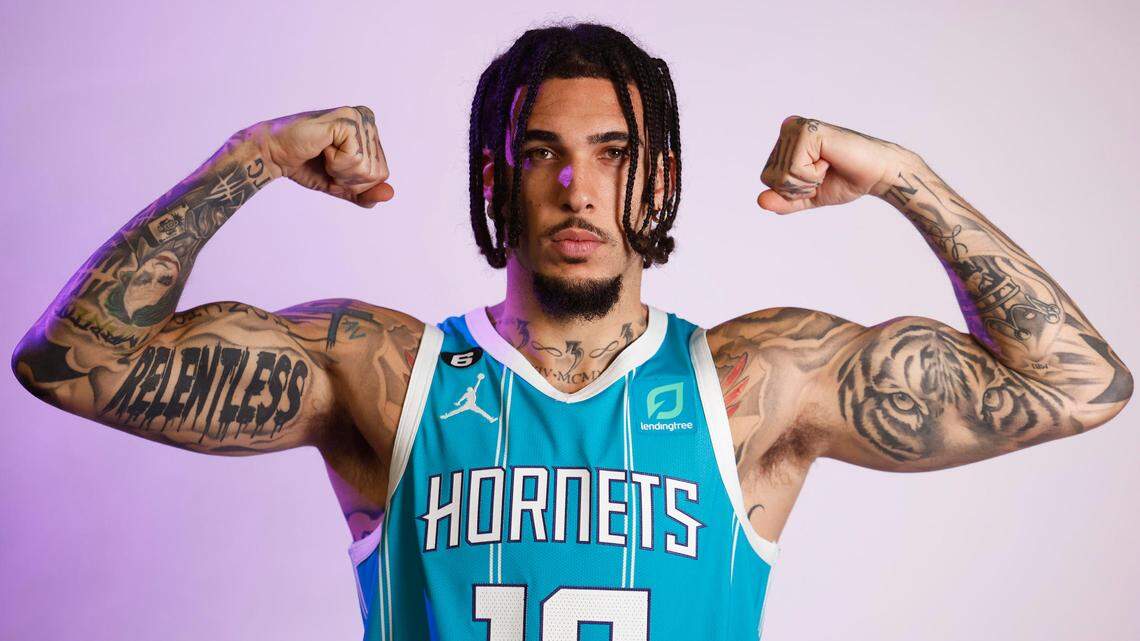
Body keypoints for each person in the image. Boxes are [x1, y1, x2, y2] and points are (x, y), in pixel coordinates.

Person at [11, 21, 1131, 641]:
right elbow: (73, 364)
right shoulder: (385, 375)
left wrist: (906, 177)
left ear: (661, 180)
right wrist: (251, 156)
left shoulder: (754, 384)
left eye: (612, 153)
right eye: (542, 151)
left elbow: (1077, 385)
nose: (576, 186)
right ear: (495, 179)